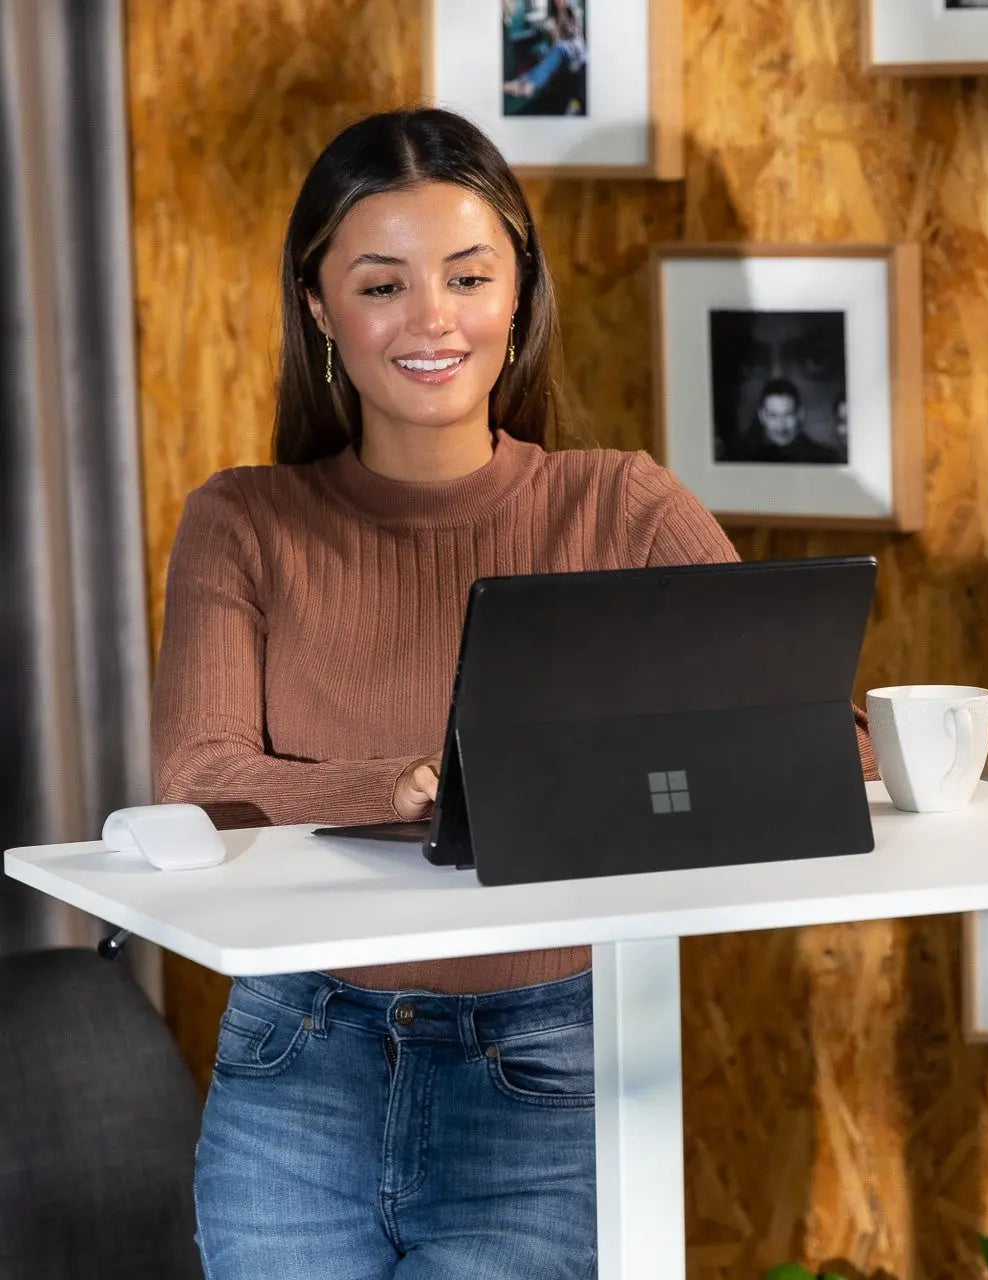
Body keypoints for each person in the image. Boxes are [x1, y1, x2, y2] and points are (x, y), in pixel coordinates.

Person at [151, 108, 879, 1279]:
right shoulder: (243, 522)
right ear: (318, 306)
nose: (431, 319)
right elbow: (199, 774)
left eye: (468, 276)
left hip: (541, 1066)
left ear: (516, 293)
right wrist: (398, 788)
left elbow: (815, 738)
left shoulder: (620, 508)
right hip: (298, 1063)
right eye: (381, 283)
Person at [735, 378, 843, 464]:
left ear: (800, 414)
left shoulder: (823, 459)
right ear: (762, 416)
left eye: (787, 415)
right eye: (773, 415)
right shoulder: (741, 458)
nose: (781, 425)